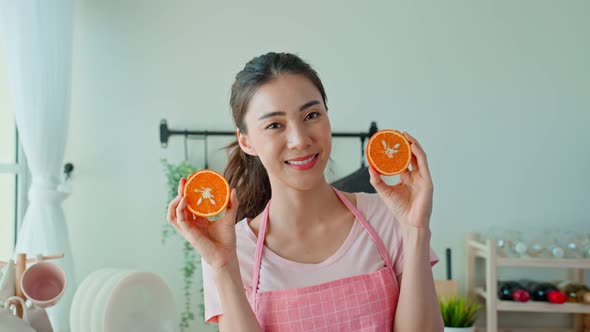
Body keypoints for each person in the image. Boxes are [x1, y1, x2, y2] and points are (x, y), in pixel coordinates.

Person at [167, 52, 443, 331]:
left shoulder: (387, 218)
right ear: (246, 141)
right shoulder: (231, 250)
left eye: (311, 115)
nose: (300, 140)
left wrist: (416, 230)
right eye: (275, 125)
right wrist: (224, 266)